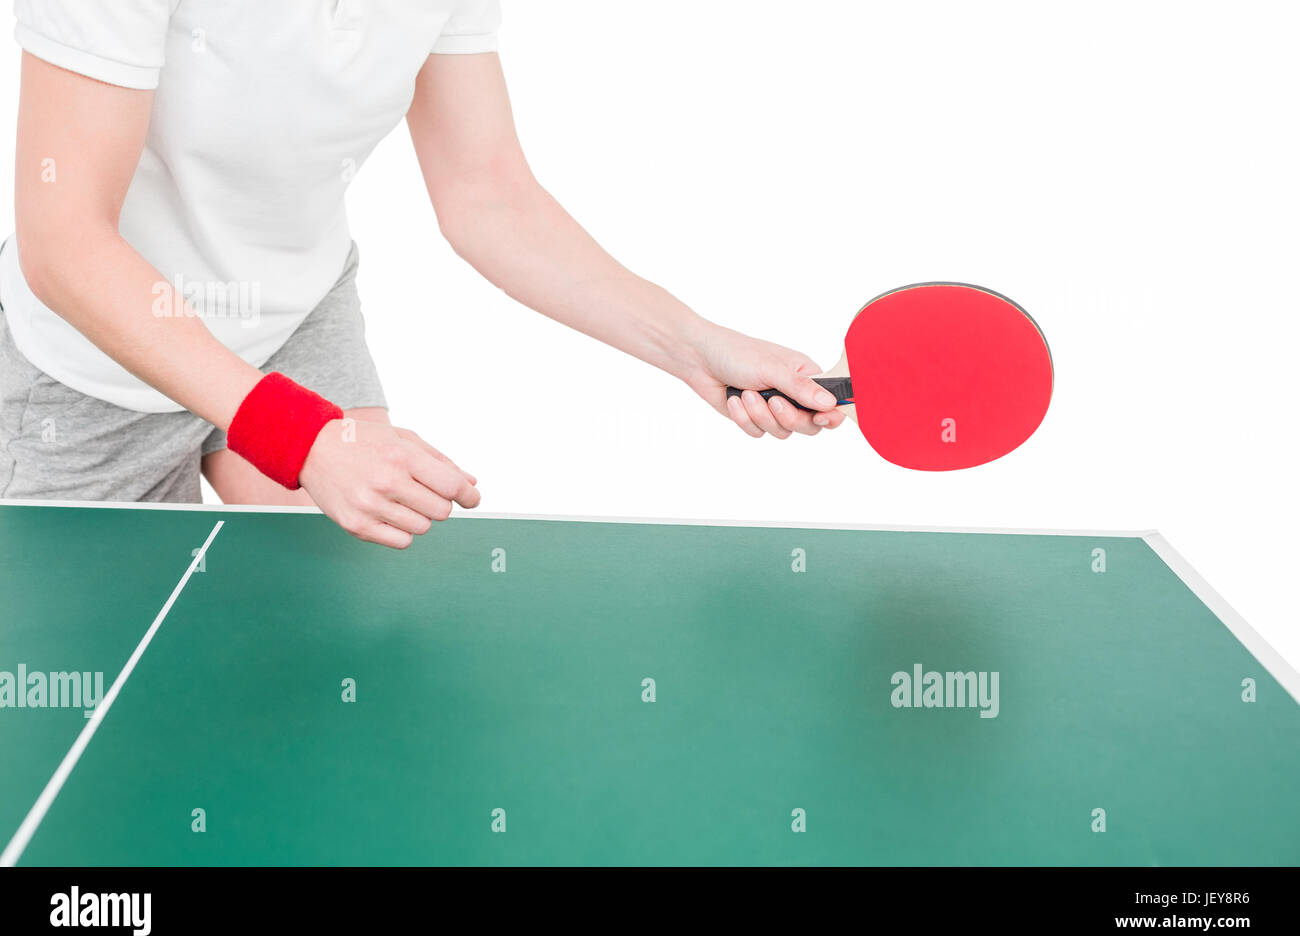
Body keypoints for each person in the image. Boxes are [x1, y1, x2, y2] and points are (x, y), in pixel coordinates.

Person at [0, 1, 844, 548]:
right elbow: (63, 238)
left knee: (334, 624)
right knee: (82, 698)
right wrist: (303, 436)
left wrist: (697, 348)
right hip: (94, 363)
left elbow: (487, 194)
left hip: (292, 308)